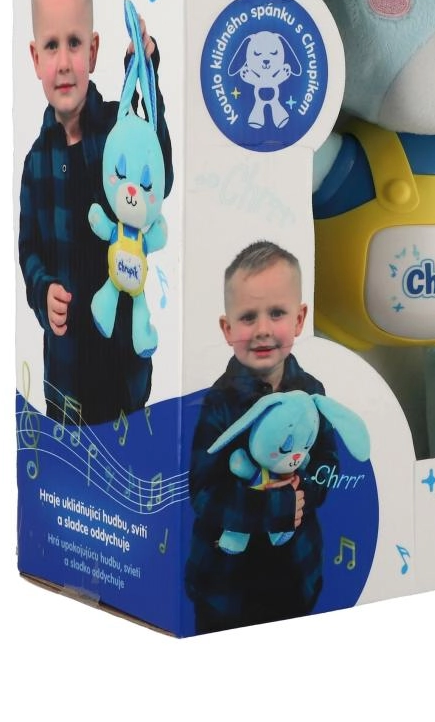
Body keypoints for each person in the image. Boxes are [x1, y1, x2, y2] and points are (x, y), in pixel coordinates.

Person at [18, 0, 172, 426]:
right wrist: (43, 291)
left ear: (94, 50)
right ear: (35, 57)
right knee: (71, 467)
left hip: (123, 371)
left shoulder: (117, 133)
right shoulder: (35, 163)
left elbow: (159, 173)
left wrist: (145, 72)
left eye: (74, 43)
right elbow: (29, 249)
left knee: (127, 452)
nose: (64, 62)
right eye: (51, 46)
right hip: (65, 380)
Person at [184, 241, 338, 633]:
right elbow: (204, 493)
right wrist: (274, 507)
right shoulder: (219, 402)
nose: (263, 329)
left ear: (299, 319)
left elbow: (328, 463)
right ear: (228, 329)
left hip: (295, 576)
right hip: (226, 589)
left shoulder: (312, 393)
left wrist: (303, 490)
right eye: (248, 317)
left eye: (277, 313)